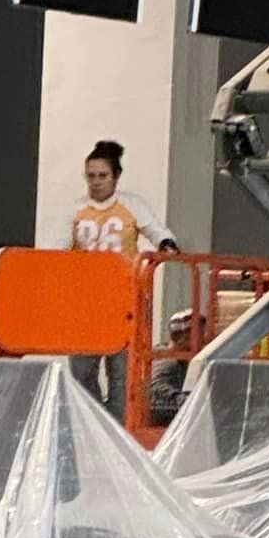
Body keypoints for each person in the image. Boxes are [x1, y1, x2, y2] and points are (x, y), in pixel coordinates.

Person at [67, 138, 178, 418]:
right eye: (91, 176)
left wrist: (166, 244)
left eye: (102, 175)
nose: (96, 182)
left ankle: (116, 432)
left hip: (125, 301)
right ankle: (94, 423)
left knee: (122, 374)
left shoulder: (131, 205)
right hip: (86, 303)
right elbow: (58, 244)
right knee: (81, 371)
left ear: (116, 177)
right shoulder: (76, 209)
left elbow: (156, 230)